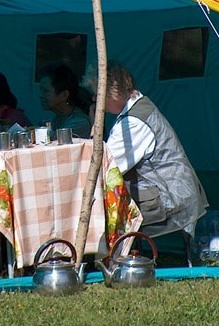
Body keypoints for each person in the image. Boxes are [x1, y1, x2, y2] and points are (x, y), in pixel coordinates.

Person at [84, 62, 208, 236]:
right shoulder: (137, 106)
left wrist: (95, 125)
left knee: (101, 207)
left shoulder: (133, 123)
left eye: (98, 94)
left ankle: (111, 258)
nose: (95, 100)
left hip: (172, 199)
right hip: (173, 192)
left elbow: (105, 168)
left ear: (114, 94)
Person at [38, 63, 91, 138]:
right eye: (40, 90)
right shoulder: (58, 119)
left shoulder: (80, 123)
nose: (41, 95)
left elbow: (56, 142)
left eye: (46, 91)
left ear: (64, 95)